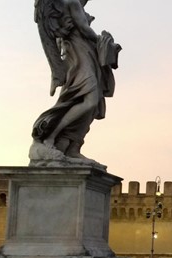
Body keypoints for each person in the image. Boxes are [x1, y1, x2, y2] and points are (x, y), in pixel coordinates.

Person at [32, 0, 121, 165]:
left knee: (92, 104)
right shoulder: (72, 2)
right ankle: (49, 137)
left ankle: (72, 147)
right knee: (89, 99)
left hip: (86, 54)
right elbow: (84, 30)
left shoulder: (70, 6)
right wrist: (105, 42)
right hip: (79, 57)